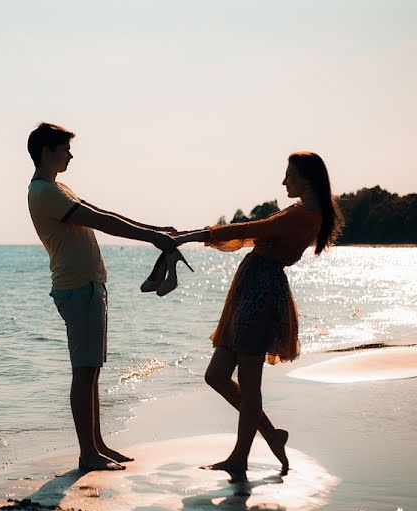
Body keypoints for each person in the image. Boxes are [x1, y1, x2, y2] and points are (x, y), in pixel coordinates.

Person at [171, 152, 343, 478]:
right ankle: (271, 435)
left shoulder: (306, 214)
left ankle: (240, 459)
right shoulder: (303, 211)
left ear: (306, 178)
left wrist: (193, 235)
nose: (283, 181)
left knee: (250, 385)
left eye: (289, 175)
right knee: (216, 375)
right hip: (251, 291)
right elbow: (259, 231)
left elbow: (255, 228)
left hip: (262, 296)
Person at [26, 122, 178, 472]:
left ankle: (97, 445)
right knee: (83, 372)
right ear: (47, 151)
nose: (70, 154)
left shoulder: (58, 187)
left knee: (91, 370)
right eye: (65, 148)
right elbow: (101, 222)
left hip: (89, 286)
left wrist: (154, 231)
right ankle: (88, 454)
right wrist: (153, 239)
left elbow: (106, 214)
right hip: (76, 287)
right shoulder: (43, 192)